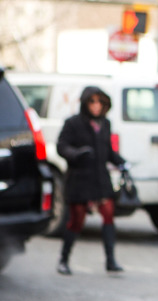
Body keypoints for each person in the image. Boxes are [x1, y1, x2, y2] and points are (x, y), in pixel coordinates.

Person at [56, 86, 128, 275]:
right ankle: (64, 259)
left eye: (100, 102)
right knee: (77, 220)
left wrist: (122, 163)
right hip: (79, 179)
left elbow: (108, 151)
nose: (96, 106)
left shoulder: (105, 124)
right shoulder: (73, 123)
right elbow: (61, 147)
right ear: (85, 103)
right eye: (92, 101)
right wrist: (77, 154)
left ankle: (110, 260)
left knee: (108, 216)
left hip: (100, 178)